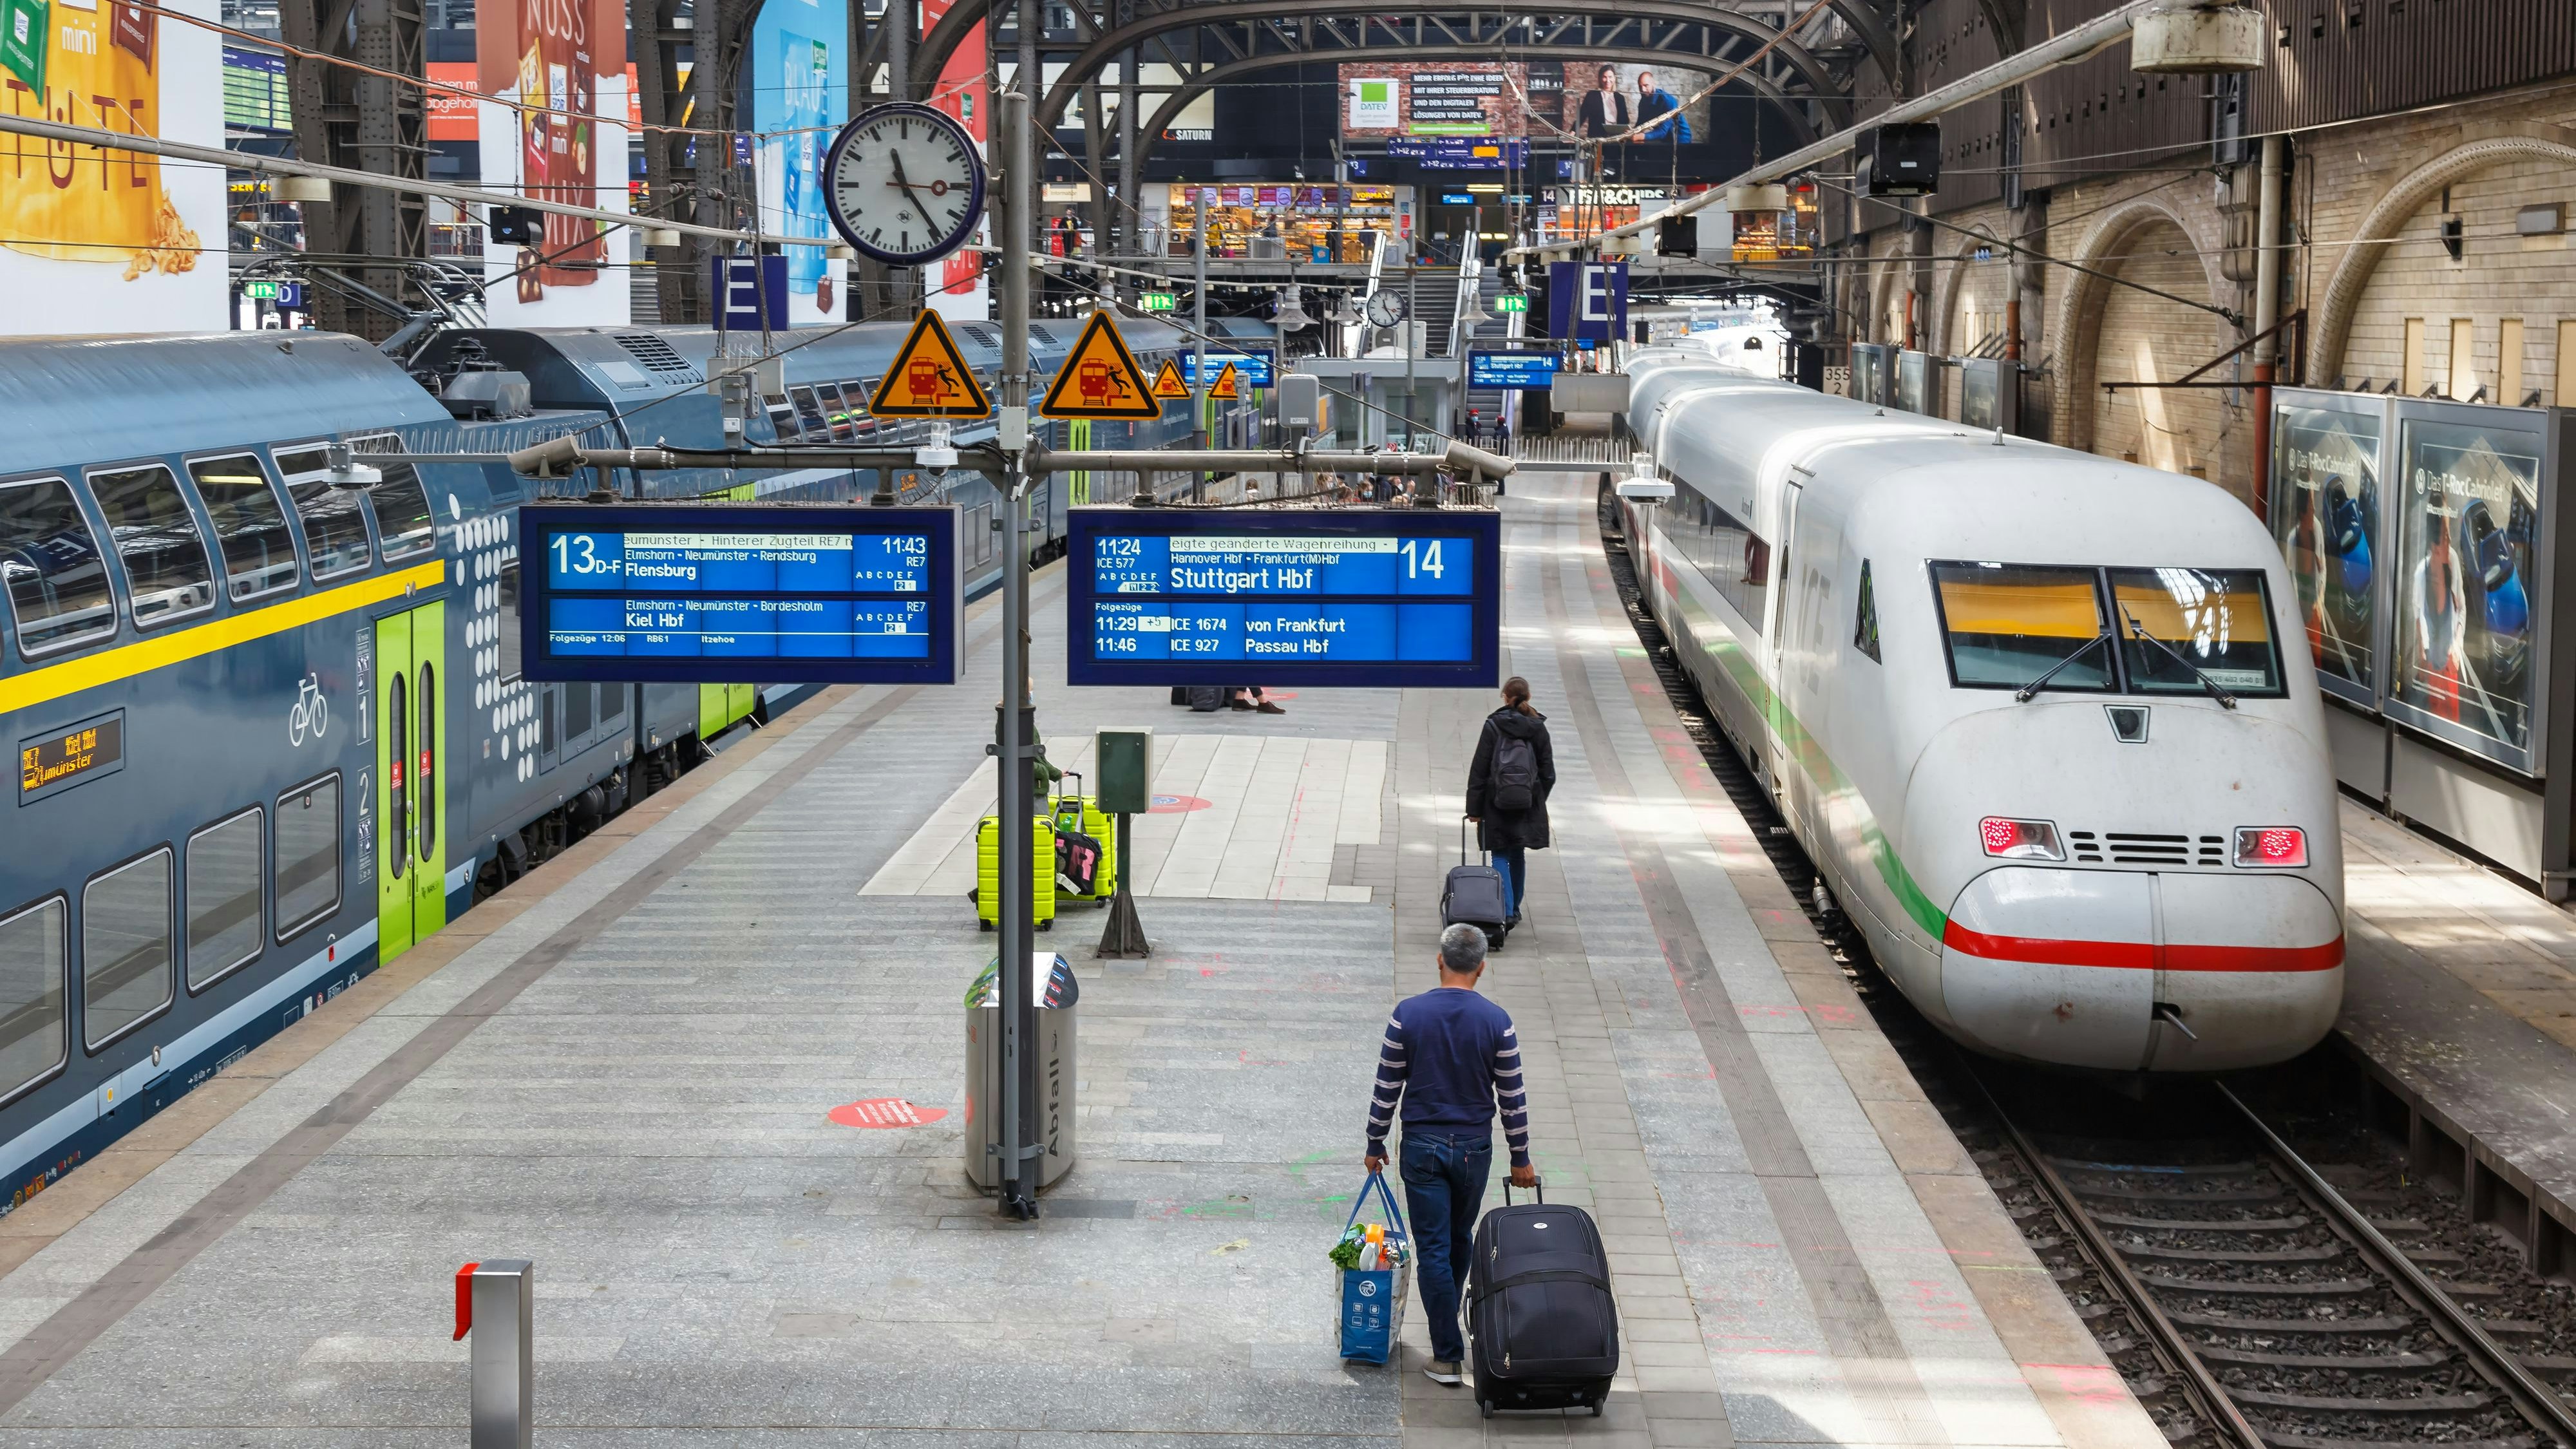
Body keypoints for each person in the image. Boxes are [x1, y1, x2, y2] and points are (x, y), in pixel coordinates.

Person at [1363, 922, 1536, 1387]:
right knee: (1459, 1239)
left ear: (1440, 960)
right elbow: (1512, 1097)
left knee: (1435, 1248)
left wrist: (1375, 1142)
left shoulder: (1408, 1015)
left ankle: (1447, 1356)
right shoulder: (1498, 1022)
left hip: (1422, 1148)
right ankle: (1449, 1327)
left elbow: (1387, 1086)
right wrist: (1520, 1156)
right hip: (1474, 1150)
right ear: (1482, 967)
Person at [1465, 677, 1555, 929]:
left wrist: (1474, 809)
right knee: (1518, 853)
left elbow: (1480, 769)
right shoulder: (1538, 727)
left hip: (1496, 801)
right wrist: (1535, 798)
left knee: (1500, 855)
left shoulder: (1493, 725)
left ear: (1505, 696)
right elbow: (1549, 772)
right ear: (1529, 697)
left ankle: (1503, 912)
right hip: (1528, 803)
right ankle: (1514, 909)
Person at [1575, 62, 1631, 139]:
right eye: (1605, 77)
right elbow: (1581, 116)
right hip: (1597, 139)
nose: (1608, 80)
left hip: (1617, 139)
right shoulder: (1592, 96)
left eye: (1610, 77)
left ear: (1614, 79)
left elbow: (1625, 121)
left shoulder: (1620, 98)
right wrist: (1571, 134)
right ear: (1600, 79)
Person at [1635, 70, 1692, 144]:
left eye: (1646, 85)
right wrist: (1631, 132)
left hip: (1681, 140)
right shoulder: (1643, 102)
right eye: (1640, 86)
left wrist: (1643, 136)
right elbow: (1640, 125)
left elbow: (1663, 131)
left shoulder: (1667, 101)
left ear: (1653, 84)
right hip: (1666, 138)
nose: (1643, 90)